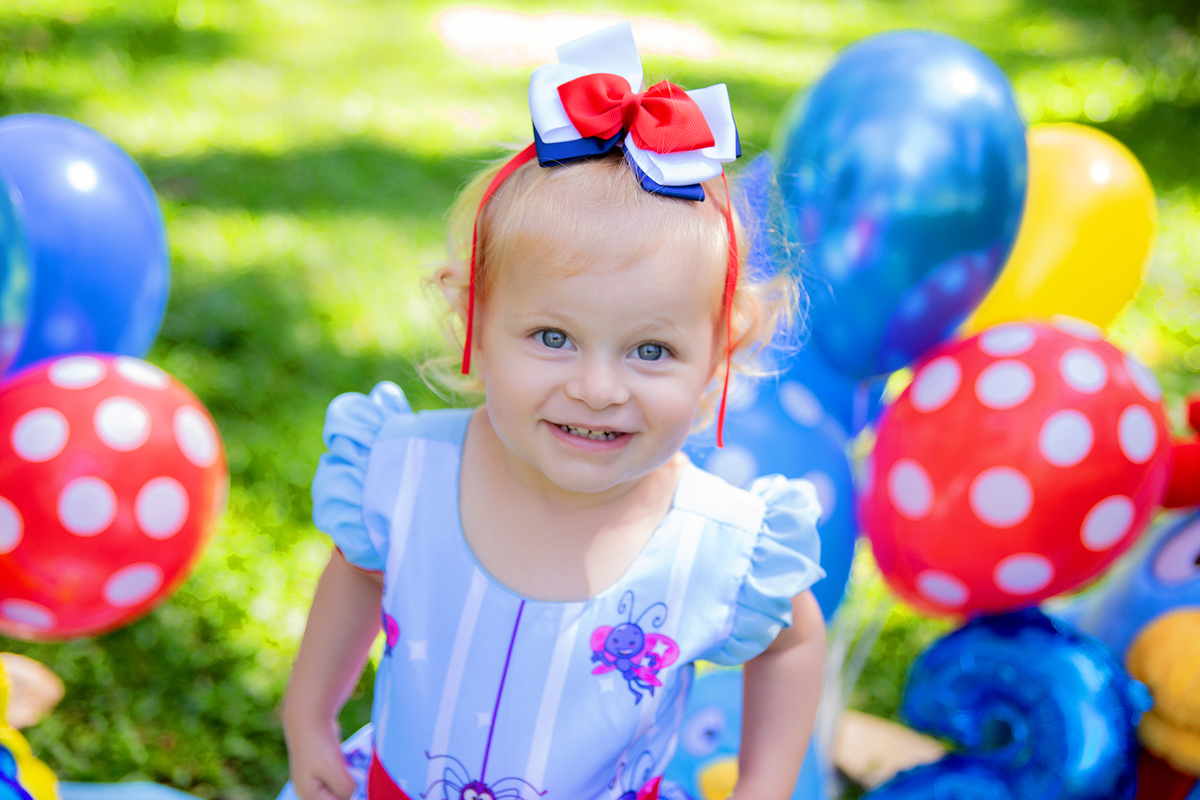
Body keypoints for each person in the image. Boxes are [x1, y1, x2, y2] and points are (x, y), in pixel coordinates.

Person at [281, 22, 827, 800]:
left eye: (650, 351)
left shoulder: (720, 544)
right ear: (473, 321)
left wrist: (765, 783)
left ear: (719, 356)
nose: (599, 388)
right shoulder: (406, 471)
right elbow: (359, 575)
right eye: (552, 337)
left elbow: (793, 642)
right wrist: (309, 715)